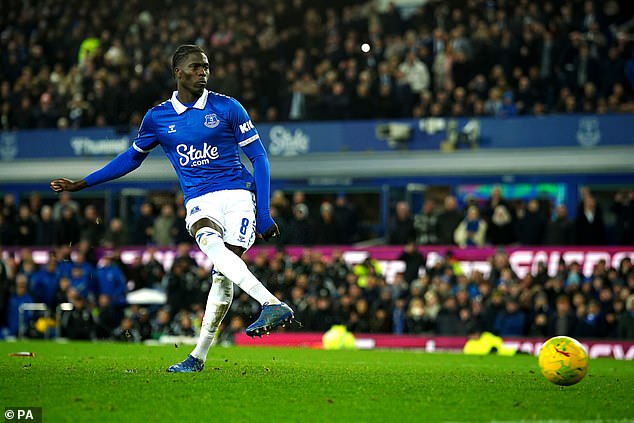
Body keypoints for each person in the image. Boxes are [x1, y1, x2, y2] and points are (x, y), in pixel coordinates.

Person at [50, 44, 294, 372]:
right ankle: (271, 303)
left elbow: (260, 158)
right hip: (199, 200)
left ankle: (198, 357)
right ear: (178, 72)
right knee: (210, 244)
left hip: (238, 195)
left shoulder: (228, 107)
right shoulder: (158, 117)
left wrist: (263, 212)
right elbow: (131, 158)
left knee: (223, 276)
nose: (202, 72)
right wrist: (84, 183)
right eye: (195, 67)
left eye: (206, 67)